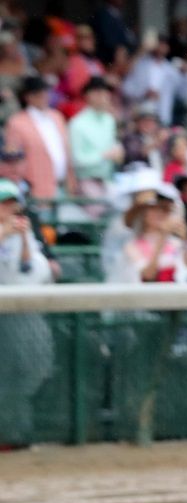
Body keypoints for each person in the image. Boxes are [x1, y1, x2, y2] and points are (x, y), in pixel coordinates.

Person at [0, 177, 53, 447]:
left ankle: (16, 433)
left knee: (30, 373)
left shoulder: (24, 233)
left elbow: (33, 271)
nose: (10, 210)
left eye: (13, 204)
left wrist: (21, 238)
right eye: (4, 204)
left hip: (22, 315)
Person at [108, 178, 187, 283]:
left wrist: (185, 240)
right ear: (143, 213)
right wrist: (162, 238)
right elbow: (148, 276)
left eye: (165, 210)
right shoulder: (132, 246)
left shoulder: (175, 243)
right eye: (154, 209)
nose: (160, 214)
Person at [4, 76, 76, 200]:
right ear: (27, 97)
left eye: (45, 92)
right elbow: (13, 159)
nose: (44, 96)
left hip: (63, 185)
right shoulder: (17, 122)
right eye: (38, 93)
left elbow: (66, 151)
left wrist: (71, 180)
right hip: (36, 189)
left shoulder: (56, 117)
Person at [69, 76, 120, 196]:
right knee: (99, 203)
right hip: (86, 181)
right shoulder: (77, 123)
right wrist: (104, 156)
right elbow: (77, 160)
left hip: (108, 180)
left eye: (106, 93)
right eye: (100, 92)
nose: (105, 96)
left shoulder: (109, 120)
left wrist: (118, 150)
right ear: (89, 95)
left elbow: (113, 146)